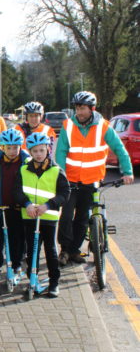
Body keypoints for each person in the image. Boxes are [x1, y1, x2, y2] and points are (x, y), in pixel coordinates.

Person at [55, 91, 134, 266]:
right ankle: (65, 250)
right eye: (77, 108)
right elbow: (60, 153)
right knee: (66, 216)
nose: (79, 112)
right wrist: (61, 177)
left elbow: (120, 149)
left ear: (92, 109)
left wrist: (127, 172)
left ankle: (75, 250)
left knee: (83, 218)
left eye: (82, 108)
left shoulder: (103, 126)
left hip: (92, 181)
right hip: (70, 181)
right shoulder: (68, 126)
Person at [15, 133, 70, 297]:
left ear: (48, 149)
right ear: (30, 153)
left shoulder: (56, 170)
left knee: (51, 251)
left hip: (49, 218)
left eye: (41, 150)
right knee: (32, 251)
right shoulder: (24, 170)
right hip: (30, 216)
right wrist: (26, 204)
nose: (38, 154)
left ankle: (54, 282)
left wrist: (48, 205)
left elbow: (65, 193)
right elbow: (17, 191)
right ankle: (33, 280)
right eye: (35, 151)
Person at [0, 129, 30, 280]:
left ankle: (16, 265)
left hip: (19, 208)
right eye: (8, 147)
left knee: (17, 239)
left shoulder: (27, 162)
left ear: (20, 146)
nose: (12, 151)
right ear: (2, 147)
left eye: (15, 147)